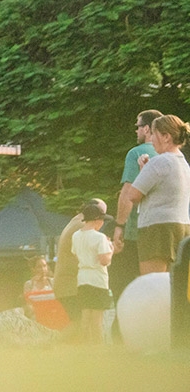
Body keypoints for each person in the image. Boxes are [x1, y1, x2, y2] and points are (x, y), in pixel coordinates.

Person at [114, 114, 190, 275]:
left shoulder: (159, 161)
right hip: (182, 226)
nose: (152, 139)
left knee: (153, 281)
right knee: (173, 281)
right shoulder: (183, 163)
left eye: (154, 134)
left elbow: (133, 195)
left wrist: (144, 170)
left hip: (157, 229)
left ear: (166, 137)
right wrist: (146, 171)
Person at [110, 110, 160, 299]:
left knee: (125, 284)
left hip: (136, 231)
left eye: (137, 126)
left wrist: (119, 226)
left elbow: (127, 193)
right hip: (162, 230)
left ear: (147, 129)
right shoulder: (170, 155)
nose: (136, 131)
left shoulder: (137, 153)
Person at [54, 197, 106, 326]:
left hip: (66, 284)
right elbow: (96, 258)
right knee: (80, 325)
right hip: (71, 285)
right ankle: (51, 340)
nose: (102, 220)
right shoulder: (82, 227)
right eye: (101, 215)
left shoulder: (76, 222)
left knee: (79, 323)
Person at [72, 201, 114, 343]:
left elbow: (76, 255)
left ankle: (84, 345)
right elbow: (104, 260)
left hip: (82, 278)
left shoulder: (76, 236)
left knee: (85, 317)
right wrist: (111, 249)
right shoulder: (100, 237)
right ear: (97, 220)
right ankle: (98, 347)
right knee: (97, 319)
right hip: (97, 279)